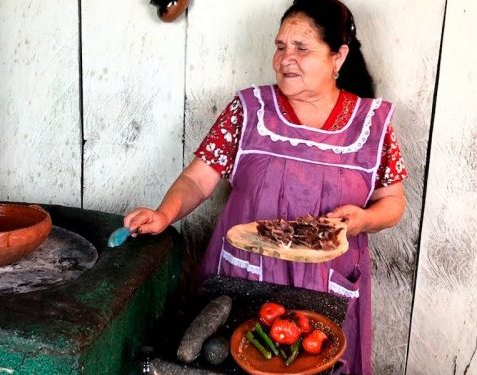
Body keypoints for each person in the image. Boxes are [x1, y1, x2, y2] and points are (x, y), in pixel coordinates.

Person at [123, 0, 406, 373]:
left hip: (324, 287)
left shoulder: (371, 124)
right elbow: (197, 178)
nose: (285, 59)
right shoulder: (249, 109)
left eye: (301, 49)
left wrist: (362, 221)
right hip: (245, 278)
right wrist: (164, 213)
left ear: (338, 57)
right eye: (280, 46)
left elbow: (393, 202)